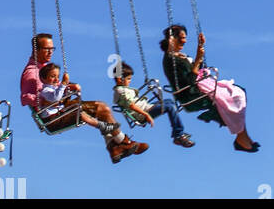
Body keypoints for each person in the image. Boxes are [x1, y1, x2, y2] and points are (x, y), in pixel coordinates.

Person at [20, 33, 147, 164]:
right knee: (101, 108)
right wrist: (42, 100)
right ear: (36, 50)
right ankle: (123, 142)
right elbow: (25, 98)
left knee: (102, 108)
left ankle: (115, 147)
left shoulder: (44, 67)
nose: (50, 52)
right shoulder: (32, 73)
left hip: (61, 108)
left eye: (52, 49)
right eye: (47, 49)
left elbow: (53, 87)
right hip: (53, 117)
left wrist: (69, 87)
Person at [161, 25, 258, 152]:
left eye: (185, 38)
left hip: (199, 88)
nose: (184, 41)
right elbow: (189, 81)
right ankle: (242, 137)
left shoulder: (179, 56)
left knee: (238, 91)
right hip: (191, 95)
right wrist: (197, 57)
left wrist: (200, 49)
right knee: (233, 97)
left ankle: (242, 136)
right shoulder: (171, 60)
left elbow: (198, 69)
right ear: (171, 39)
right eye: (181, 38)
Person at [113, 61, 195, 147]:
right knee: (169, 107)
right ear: (120, 79)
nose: (130, 81)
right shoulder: (123, 91)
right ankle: (178, 135)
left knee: (168, 101)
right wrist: (146, 116)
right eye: (128, 79)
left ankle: (177, 128)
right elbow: (131, 105)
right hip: (144, 113)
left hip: (145, 108)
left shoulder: (119, 90)